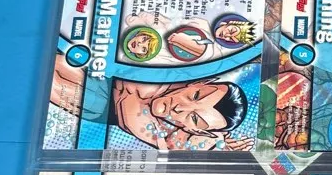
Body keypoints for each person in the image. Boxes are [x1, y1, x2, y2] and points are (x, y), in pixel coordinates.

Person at [50, 53, 252, 152]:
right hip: (99, 69)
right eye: (195, 96)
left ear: (197, 130)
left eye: (194, 118)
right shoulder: (173, 73)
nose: (180, 107)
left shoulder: (167, 137)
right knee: (56, 61)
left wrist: (217, 145)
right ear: (199, 83)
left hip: (101, 105)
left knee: (50, 80)